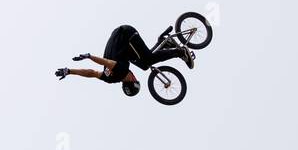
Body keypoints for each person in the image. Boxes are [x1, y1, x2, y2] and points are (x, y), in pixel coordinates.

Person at [55, 24, 195, 95]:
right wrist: (69, 71)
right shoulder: (109, 78)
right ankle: (163, 42)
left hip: (125, 35)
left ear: (131, 81)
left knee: (147, 60)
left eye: (135, 80)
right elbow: (91, 73)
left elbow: (107, 63)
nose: (135, 77)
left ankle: (179, 52)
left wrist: (90, 56)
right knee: (144, 63)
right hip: (123, 46)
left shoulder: (121, 72)